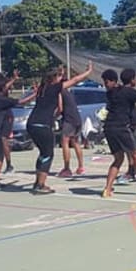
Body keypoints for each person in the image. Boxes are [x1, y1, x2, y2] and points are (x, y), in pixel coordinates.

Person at [26, 63, 93, 194]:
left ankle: (37, 182)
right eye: (59, 76)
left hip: (31, 123)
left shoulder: (41, 89)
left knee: (42, 154)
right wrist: (88, 72)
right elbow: (75, 80)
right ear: (54, 78)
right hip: (43, 125)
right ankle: (40, 185)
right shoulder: (54, 88)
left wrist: (60, 72)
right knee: (48, 154)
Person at [101, 68, 136, 198]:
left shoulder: (111, 93)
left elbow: (119, 92)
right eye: (135, 78)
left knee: (118, 159)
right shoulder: (130, 92)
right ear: (132, 80)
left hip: (108, 128)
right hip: (121, 127)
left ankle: (107, 189)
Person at [58, 66, 86, 177]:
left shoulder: (59, 91)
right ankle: (81, 167)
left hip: (69, 118)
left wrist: (53, 117)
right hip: (77, 118)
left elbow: (60, 108)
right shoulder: (68, 92)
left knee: (64, 141)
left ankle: (66, 168)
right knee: (75, 142)